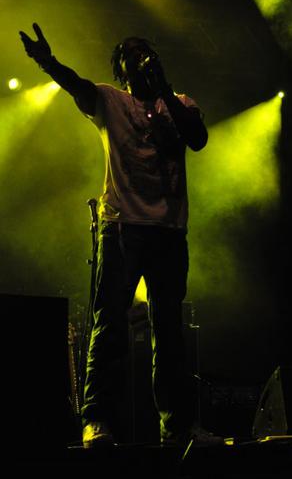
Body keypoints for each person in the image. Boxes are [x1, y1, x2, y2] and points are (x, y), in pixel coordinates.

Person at [19, 23, 211, 449]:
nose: (142, 56)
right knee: (109, 324)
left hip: (168, 232)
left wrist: (163, 91)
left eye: (146, 50)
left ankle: (178, 428)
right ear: (121, 69)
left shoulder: (180, 103)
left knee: (170, 332)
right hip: (123, 226)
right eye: (132, 53)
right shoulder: (110, 100)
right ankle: (97, 419)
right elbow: (77, 85)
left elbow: (197, 139)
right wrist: (48, 63)